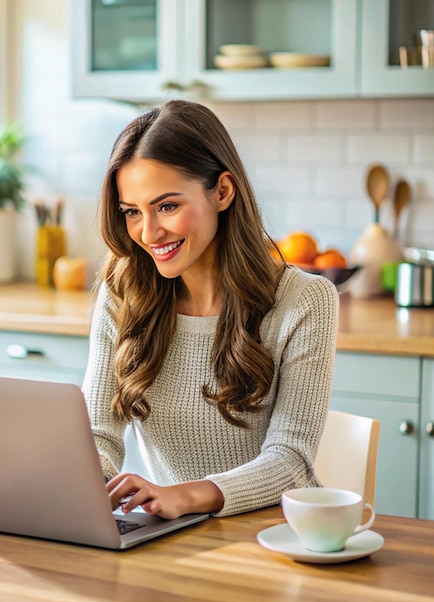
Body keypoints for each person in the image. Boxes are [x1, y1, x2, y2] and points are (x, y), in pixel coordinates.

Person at [82, 99, 339, 520]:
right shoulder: (123, 291)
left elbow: (291, 461)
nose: (148, 233)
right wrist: (85, 485)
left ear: (222, 191)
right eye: (132, 212)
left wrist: (183, 496)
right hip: (176, 536)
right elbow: (98, 436)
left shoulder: (305, 300)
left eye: (167, 206)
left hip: (278, 536)